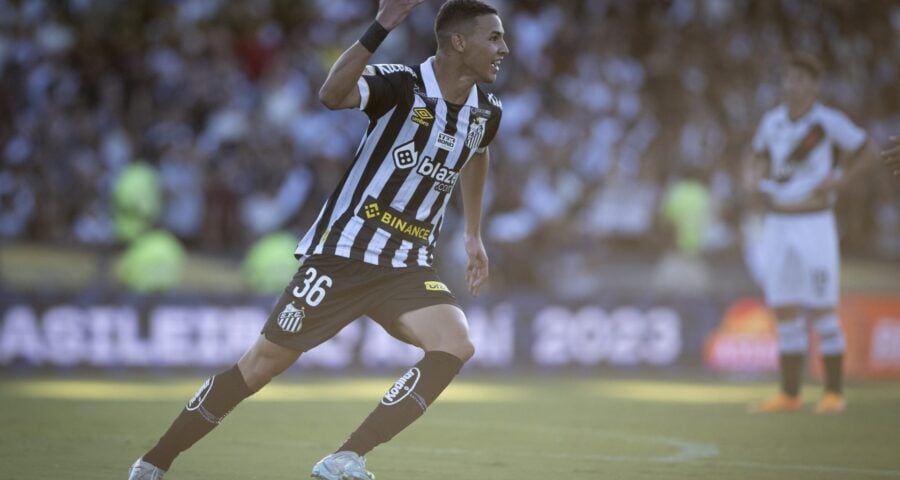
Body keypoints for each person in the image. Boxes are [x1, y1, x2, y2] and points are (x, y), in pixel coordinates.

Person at [127, 0, 507, 479]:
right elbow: (332, 94)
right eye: (494, 38)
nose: (504, 49)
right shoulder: (403, 85)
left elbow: (478, 154)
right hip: (343, 254)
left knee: (455, 343)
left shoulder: (486, 111)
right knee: (258, 368)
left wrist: (473, 233)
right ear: (458, 41)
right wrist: (383, 24)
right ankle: (154, 462)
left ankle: (346, 457)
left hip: (407, 264)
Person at [743, 53, 878, 415]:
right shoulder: (771, 122)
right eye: (789, 77)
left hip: (814, 222)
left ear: (815, 85)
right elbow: (755, 155)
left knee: (822, 308)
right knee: (784, 308)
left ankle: (834, 393)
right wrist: (752, 176)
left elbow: (869, 151)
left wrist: (843, 180)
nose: (794, 84)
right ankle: (790, 394)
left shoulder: (827, 123)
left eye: (802, 78)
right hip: (777, 222)